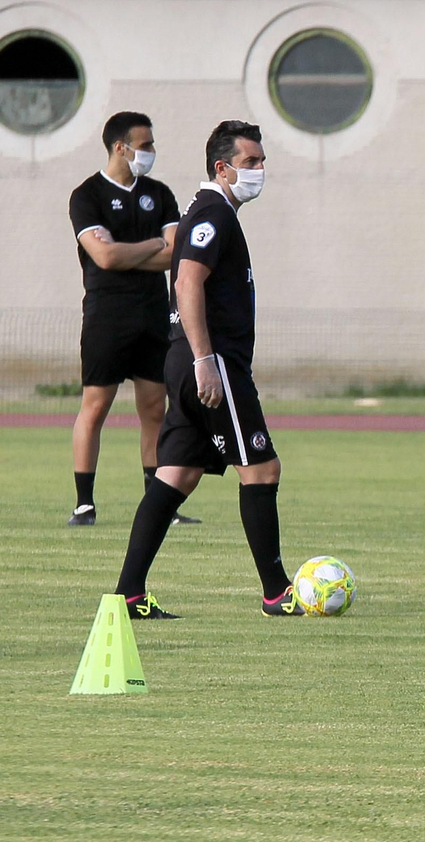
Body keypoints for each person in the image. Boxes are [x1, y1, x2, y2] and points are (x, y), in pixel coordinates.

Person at [111, 120, 301, 620]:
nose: (259, 171)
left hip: (192, 362)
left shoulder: (213, 212)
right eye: (250, 163)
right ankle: (276, 592)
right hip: (211, 365)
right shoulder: (213, 213)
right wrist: (205, 362)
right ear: (222, 167)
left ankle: (128, 595)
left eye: (262, 161)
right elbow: (188, 283)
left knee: (177, 475)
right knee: (261, 468)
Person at [66, 111, 200, 527]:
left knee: (154, 409)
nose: (152, 153)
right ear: (120, 147)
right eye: (146, 145)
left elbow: (175, 253)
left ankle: (160, 504)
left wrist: (130, 251)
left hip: (153, 314)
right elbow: (102, 257)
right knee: (96, 406)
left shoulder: (159, 194)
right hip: (107, 315)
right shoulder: (86, 196)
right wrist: (152, 245)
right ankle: (84, 504)